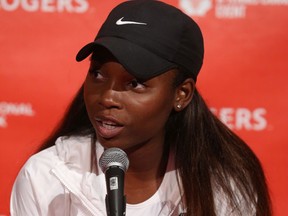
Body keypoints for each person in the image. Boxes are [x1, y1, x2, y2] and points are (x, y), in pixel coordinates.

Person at [10, 0, 272, 215]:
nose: (107, 96)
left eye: (134, 83)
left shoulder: (224, 186)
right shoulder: (45, 176)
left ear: (181, 94)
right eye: (98, 74)